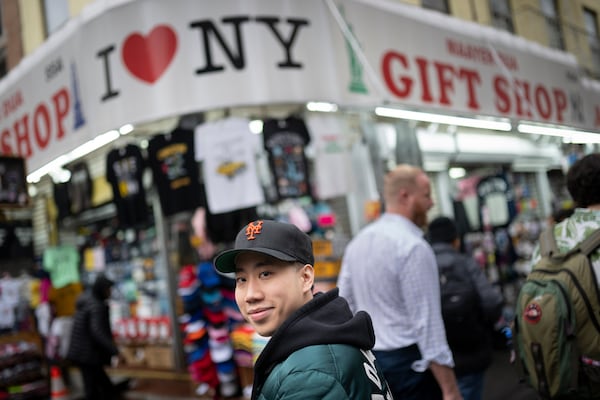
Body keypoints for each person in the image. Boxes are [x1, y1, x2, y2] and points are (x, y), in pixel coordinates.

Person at [213, 219, 393, 399]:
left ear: (305, 278)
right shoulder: (329, 334)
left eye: (265, 274)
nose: (250, 295)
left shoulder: (310, 375)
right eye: (241, 279)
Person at [338, 164, 462, 400]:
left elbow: (345, 304)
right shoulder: (412, 247)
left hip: (373, 364)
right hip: (410, 368)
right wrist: (450, 389)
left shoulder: (358, 243)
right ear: (405, 196)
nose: (431, 203)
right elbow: (427, 325)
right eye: (426, 195)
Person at [427, 216, 504, 400]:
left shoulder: (422, 265)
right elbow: (492, 302)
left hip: (436, 357)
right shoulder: (466, 263)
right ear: (456, 240)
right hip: (471, 349)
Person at [66, 274, 124, 399]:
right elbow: (98, 331)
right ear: (102, 289)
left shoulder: (87, 300)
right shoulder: (96, 305)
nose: (110, 292)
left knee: (96, 387)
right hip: (88, 354)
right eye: (108, 289)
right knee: (96, 389)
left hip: (83, 352)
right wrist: (114, 351)